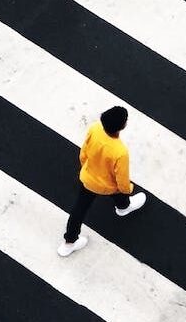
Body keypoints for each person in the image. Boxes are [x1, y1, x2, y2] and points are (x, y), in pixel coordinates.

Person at [58, 106, 146, 256]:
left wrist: (85, 167)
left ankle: (69, 243)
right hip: (108, 186)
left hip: (88, 178)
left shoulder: (95, 129)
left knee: (79, 210)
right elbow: (122, 179)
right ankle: (123, 207)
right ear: (123, 126)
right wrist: (127, 189)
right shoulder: (120, 152)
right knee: (119, 193)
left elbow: (83, 153)